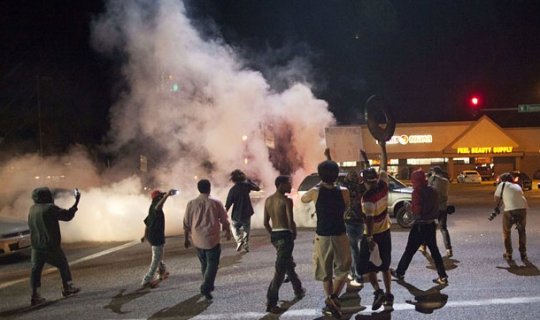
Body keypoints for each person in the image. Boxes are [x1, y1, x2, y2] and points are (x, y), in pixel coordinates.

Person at [301, 160, 351, 319]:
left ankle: (330, 298)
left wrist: (320, 183)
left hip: (322, 236)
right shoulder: (344, 191)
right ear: (337, 174)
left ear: (321, 175)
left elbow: (303, 199)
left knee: (325, 271)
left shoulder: (315, 192)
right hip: (340, 234)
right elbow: (347, 207)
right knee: (343, 270)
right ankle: (334, 297)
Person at [390, 169, 449, 285]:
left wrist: (409, 207)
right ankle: (442, 276)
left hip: (419, 225)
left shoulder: (417, 192)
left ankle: (400, 272)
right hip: (431, 224)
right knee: (435, 251)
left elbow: (417, 211)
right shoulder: (433, 191)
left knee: (409, 251)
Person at [28, 187, 81, 306]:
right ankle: (68, 287)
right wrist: (77, 201)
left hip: (36, 245)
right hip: (50, 245)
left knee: (35, 270)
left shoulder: (32, 209)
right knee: (62, 264)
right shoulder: (49, 208)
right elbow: (67, 216)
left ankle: (35, 295)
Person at [263, 175, 306, 313]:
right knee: (280, 271)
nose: (290, 186)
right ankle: (271, 301)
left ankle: (298, 289)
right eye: (288, 184)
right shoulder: (286, 201)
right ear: (280, 184)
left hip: (275, 234)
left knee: (287, 263)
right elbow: (290, 220)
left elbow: (265, 222)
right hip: (285, 235)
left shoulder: (268, 200)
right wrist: (293, 233)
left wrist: (273, 234)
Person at [184, 179, 232, 300]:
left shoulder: (191, 203)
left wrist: (186, 239)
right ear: (209, 188)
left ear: (198, 189)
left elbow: (186, 223)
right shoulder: (215, 203)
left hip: (197, 239)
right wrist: (228, 231)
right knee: (213, 264)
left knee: (204, 263)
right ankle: (206, 286)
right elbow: (224, 220)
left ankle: (207, 284)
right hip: (212, 239)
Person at [358, 168, 394, 310]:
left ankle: (378, 292)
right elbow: (383, 169)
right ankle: (389, 295)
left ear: (365, 181)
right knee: (385, 266)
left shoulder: (367, 198)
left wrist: (370, 238)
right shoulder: (384, 186)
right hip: (386, 232)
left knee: (367, 267)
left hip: (372, 235)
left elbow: (369, 219)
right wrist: (383, 148)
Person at [141, 189, 175, 288]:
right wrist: (167, 195)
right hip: (156, 237)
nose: (162, 197)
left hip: (152, 236)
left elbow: (147, 223)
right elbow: (159, 205)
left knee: (158, 255)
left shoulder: (151, 208)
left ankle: (162, 270)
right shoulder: (156, 207)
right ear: (158, 198)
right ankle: (146, 279)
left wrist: (144, 236)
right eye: (160, 196)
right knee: (156, 258)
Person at [494, 172, 528, 262]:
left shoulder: (502, 184)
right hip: (522, 209)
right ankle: (523, 253)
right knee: (522, 231)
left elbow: (496, 199)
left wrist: (501, 203)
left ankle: (509, 253)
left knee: (506, 232)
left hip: (510, 210)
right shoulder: (517, 186)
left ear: (502, 179)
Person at [419, 166, 452, 257]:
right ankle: (449, 249)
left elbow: (427, 189)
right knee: (443, 228)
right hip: (443, 207)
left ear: (434, 172)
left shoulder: (432, 179)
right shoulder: (446, 181)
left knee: (427, 227)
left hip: (432, 208)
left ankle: (423, 246)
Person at [341, 170, 366, 289]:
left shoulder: (344, 188)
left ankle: (357, 273)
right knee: (356, 248)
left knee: (353, 248)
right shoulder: (361, 188)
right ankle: (355, 271)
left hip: (349, 220)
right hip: (359, 219)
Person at [225, 169, 260, 253]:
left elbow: (228, 204)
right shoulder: (246, 186)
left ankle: (239, 240)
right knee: (246, 229)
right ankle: (245, 244)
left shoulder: (232, 190)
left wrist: (223, 215)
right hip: (247, 212)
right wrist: (250, 182)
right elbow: (257, 188)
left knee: (234, 227)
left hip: (236, 214)